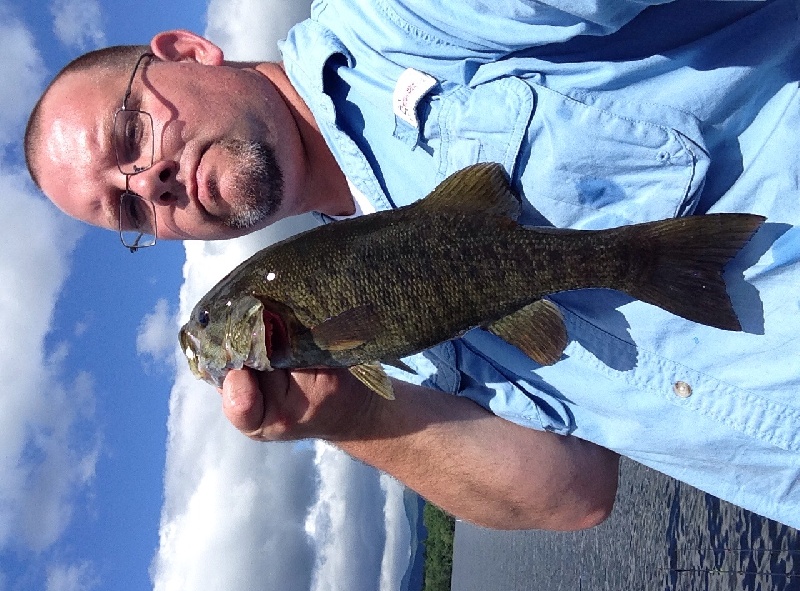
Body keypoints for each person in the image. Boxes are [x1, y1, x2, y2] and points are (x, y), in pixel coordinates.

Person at [24, 0, 800, 530]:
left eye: (130, 133)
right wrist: (349, 414)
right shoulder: (359, 366)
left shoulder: (405, 20)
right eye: (130, 211)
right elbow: (572, 497)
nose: (148, 182)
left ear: (189, 52)